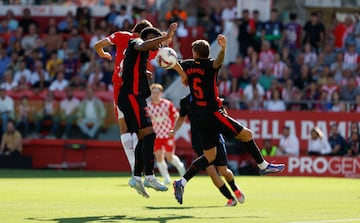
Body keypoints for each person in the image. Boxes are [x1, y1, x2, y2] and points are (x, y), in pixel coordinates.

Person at [172, 35, 285, 205]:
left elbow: (174, 63)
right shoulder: (209, 64)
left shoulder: (187, 65)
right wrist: (223, 49)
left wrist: (181, 73)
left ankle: (182, 182)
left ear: (195, 53)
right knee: (247, 135)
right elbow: (218, 63)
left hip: (200, 117)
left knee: (209, 156)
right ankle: (262, 166)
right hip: (213, 113)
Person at [118, 23, 179, 198]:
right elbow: (142, 45)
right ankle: (149, 176)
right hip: (130, 97)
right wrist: (166, 36)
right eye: (153, 39)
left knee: (144, 136)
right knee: (150, 134)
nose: (155, 44)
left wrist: (143, 72)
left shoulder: (142, 55)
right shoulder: (136, 42)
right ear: (145, 37)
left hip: (134, 97)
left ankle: (137, 177)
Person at [94, 20, 153, 174]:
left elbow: (97, 45)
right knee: (138, 127)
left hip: (120, 85)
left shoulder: (121, 36)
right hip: (131, 86)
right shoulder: (142, 44)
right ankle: (138, 168)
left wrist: (103, 54)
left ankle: (135, 167)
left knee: (125, 127)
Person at [171, 94, 245, 206]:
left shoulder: (211, 97)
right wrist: (174, 131)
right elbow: (181, 118)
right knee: (212, 172)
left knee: (223, 171)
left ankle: (235, 189)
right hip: (199, 141)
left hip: (215, 136)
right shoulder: (186, 101)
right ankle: (231, 199)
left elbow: (224, 115)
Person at [146, 83, 186, 185]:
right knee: (158, 156)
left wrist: (173, 129)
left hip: (168, 134)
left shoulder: (167, 104)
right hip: (157, 135)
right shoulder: (148, 107)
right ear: (151, 94)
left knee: (169, 157)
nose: (155, 94)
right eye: (153, 92)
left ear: (161, 93)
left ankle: (181, 167)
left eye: (157, 92)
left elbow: (176, 116)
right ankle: (166, 178)